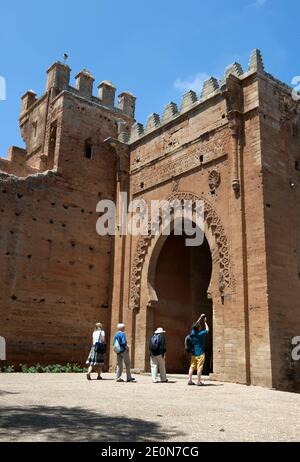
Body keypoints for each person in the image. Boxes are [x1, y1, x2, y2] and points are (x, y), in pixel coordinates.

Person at [188, 314, 209, 386]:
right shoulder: (201, 334)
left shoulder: (192, 333)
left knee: (191, 367)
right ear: (199, 328)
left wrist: (200, 317)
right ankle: (199, 381)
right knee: (199, 368)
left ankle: (190, 380)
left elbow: (196, 324)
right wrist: (205, 322)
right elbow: (207, 330)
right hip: (200, 353)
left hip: (194, 353)